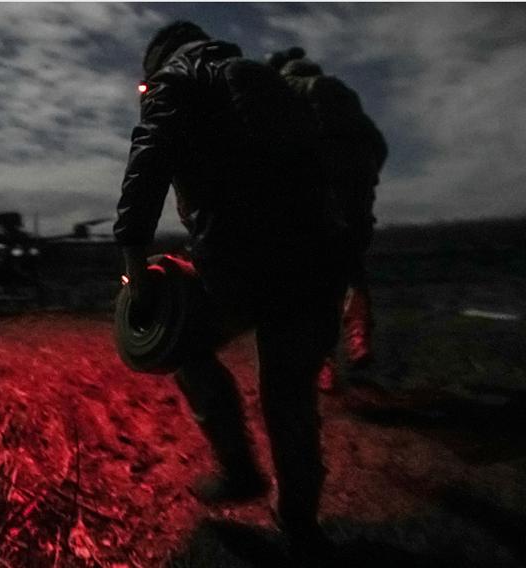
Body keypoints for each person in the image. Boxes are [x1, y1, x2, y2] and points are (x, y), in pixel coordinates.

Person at [114, 22, 344, 553]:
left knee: (185, 345)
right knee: (290, 396)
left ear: (156, 63)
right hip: (313, 262)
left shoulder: (176, 78)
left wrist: (132, 255)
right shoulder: (270, 82)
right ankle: (301, 522)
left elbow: (146, 164)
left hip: (242, 265)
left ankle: (239, 470)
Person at [267, 47, 388, 392]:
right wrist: (364, 183)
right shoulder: (339, 90)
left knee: (312, 287)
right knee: (351, 269)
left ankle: (324, 365)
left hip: (312, 202)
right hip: (355, 200)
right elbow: (378, 144)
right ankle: (359, 338)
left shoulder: (281, 90)